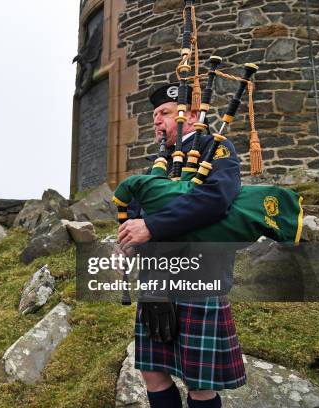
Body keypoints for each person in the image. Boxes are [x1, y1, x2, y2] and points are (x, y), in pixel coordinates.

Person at [117, 83, 245, 408]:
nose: (156, 121)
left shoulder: (216, 148)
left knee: (199, 381)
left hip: (199, 278)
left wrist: (152, 226)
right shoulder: (158, 163)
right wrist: (127, 242)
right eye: (154, 116)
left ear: (186, 115)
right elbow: (137, 207)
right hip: (157, 279)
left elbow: (215, 200)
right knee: (153, 372)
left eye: (163, 113)